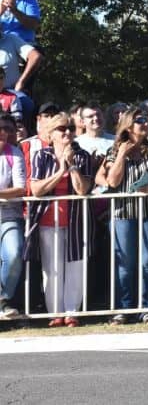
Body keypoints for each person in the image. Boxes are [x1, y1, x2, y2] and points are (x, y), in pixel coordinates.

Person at [96, 108, 148, 325]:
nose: (146, 124)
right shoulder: (114, 151)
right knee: (125, 264)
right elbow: (111, 181)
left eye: (147, 120)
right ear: (129, 125)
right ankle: (124, 308)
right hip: (123, 213)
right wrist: (122, 154)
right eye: (140, 120)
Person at [28, 112, 92, 326]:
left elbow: (82, 189)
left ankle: (72, 312)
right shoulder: (41, 156)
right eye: (62, 128)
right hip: (49, 220)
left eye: (71, 128)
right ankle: (55, 313)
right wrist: (60, 171)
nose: (67, 132)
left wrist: (72, 166)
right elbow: (36, 189)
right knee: (52, 269)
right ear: (51, 133)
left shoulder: (83, 156)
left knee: (76, 267)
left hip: (76, 220)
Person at [0, 114, 25, 319]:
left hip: (9, 214)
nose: (4, 133)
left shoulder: (14, 153)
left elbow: (20, 188)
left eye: (8, 129)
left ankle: (3, 299)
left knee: (14, 253)